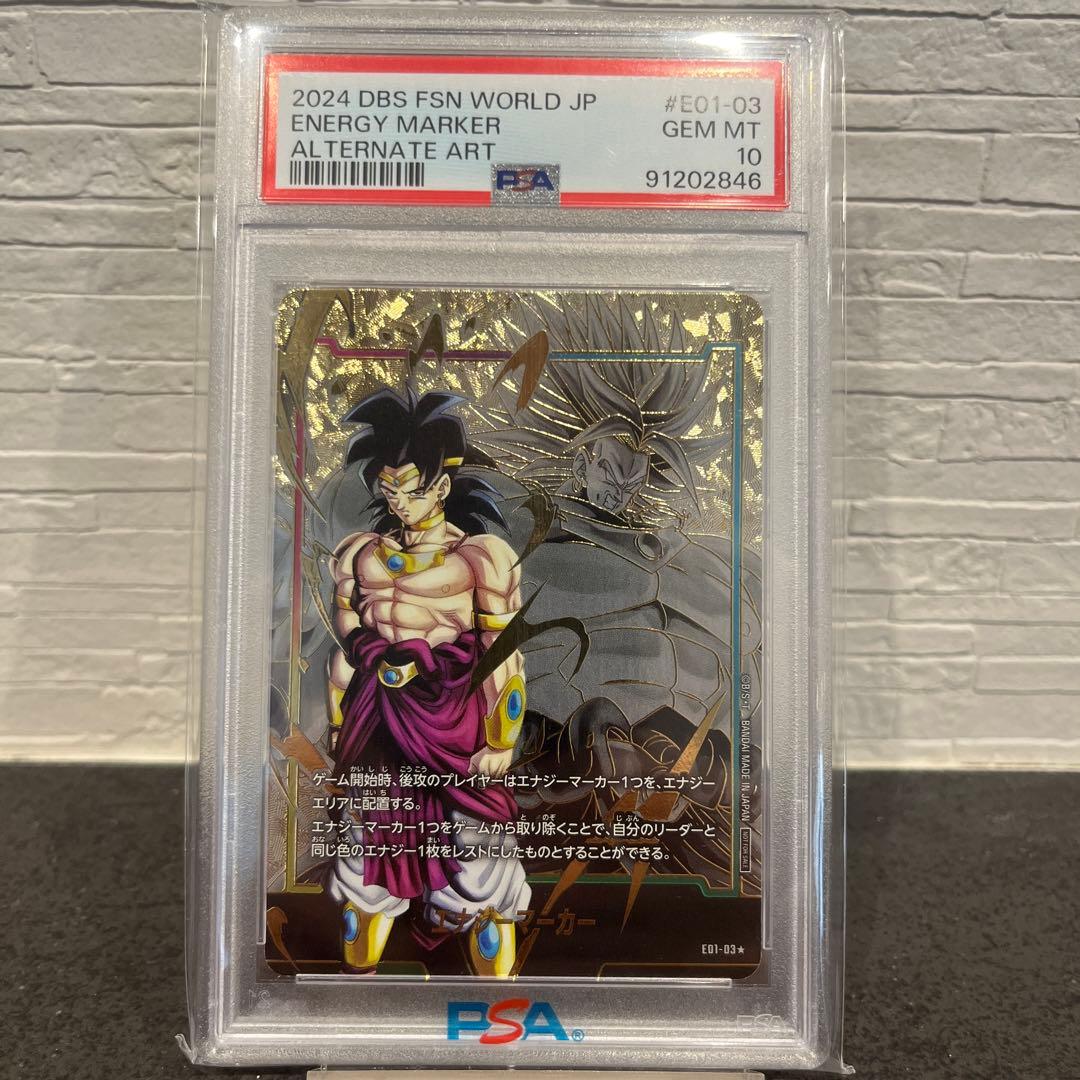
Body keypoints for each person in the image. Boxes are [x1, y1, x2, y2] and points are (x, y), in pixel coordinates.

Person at [325, 387, 529, 975]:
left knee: (476, 855)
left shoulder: (480, 558)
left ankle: (494, 984)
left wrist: (501, 739)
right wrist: (340, 716)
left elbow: (503, 654)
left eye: (410, 489)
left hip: (451, 716)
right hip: (375, 718)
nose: (398, 502)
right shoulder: (359, 553)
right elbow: (345, 636)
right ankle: (353, 983)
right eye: (388, 489)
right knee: (369, 843)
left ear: (441, 487)